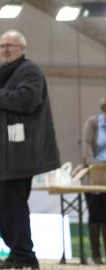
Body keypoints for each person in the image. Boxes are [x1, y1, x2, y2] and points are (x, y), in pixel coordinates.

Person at [0, 30, 60, 270]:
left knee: (14, 204)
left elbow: (27, 100)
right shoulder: (4, 74)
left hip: (21, 153)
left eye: (11, 45)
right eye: (2, 46)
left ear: (23, 49)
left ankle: (25, 257)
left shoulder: (30, 71)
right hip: (4, 155)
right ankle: (16, 253)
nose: (6, 49)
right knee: (2, 203)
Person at [82, 97, 106, 264]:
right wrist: (93, 165)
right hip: (95, 172)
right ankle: (95, 254)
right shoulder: (93, 123)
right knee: (96, 213)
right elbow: (87, 145)